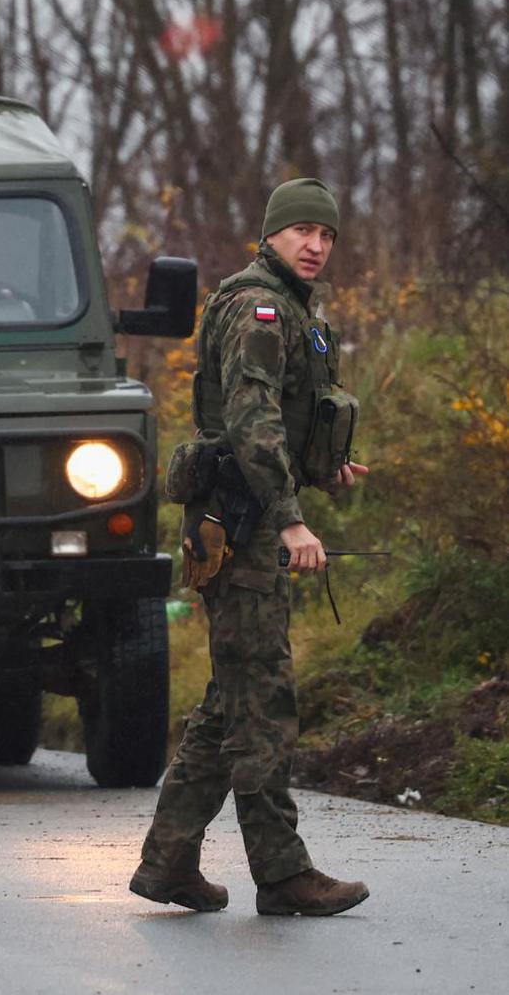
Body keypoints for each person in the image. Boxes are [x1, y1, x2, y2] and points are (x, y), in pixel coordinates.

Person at [131, 177, 372, 917]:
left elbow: (286, 421)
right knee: (264, 700)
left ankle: (169, 862)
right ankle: (283, 872)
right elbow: (249, 417)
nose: (316, 245)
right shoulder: (257, 307)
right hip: (241, 525)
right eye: (302, 230)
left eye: (327, 235)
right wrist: (292, 517)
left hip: (250, 516)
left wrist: (322, 468)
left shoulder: (299, 311)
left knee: (232, 701)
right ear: (271, 234)